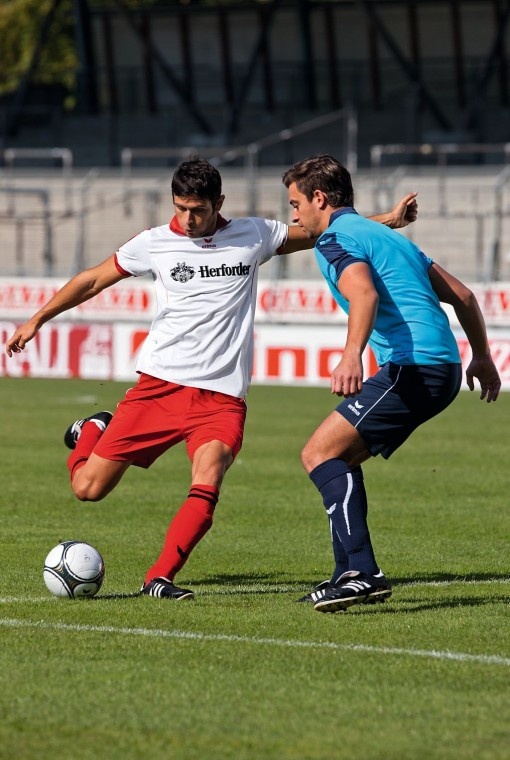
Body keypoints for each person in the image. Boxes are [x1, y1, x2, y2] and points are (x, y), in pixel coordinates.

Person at [5, 156, 417, 601]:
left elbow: (321, 229)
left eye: (197, 210)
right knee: (88, 488)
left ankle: (158, 578)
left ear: (218, 203)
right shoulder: (154, 243)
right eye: (180, 208)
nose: (187, 219)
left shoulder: (254, 234)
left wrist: (387, 220)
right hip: (158, 389)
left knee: (210, 474)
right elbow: (91, 281)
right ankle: (92, 429)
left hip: (221, 399)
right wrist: (37, 319)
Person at [281, 154, 501, 613]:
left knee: (318, 453)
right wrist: (481, 355)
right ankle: (349, 572)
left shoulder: (336, 239)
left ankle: (362, 573)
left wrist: (349, 355)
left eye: (296, 203)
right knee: (337, 458)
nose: (294, 215)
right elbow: (463, 295)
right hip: (441, 368)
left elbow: (363, 292)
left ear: (319, 198)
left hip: (412, 366)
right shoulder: (381, 234)